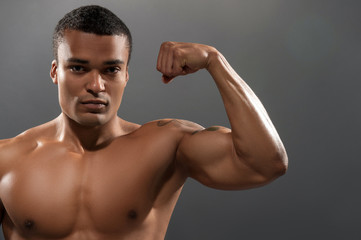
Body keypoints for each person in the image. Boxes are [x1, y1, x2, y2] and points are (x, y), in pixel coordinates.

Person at [0, 5, 288, 240]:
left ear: (126, 75)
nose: (97, 85)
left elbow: (266, 163)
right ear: (55, 72)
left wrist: (215, 61)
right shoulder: (6, 160)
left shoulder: (166, 145)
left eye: (111, 69)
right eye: (78, 68)